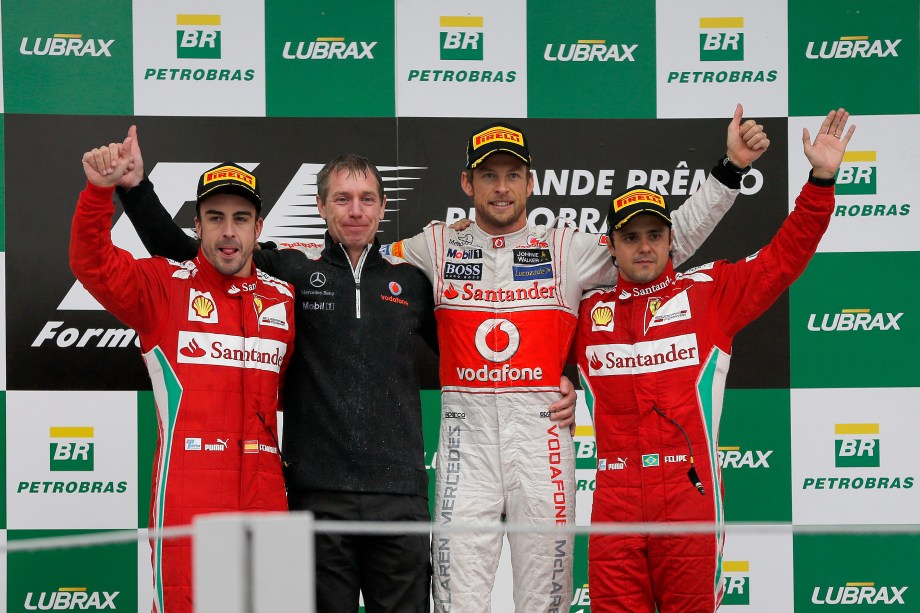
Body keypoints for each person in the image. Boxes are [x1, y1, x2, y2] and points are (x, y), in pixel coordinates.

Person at [111, 130, 576, 612]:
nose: (355, 210)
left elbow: (481, 335)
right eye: (342, 199)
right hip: (317, 493)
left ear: (382, 207)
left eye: (366, 199)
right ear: (321, 207)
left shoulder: (411, 277)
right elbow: (190, 250)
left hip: (400, 496)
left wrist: (560, 372)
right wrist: (135, 188)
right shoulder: (287, 267)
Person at [385, 105, 770, 612]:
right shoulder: (435, 243)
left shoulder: (565, 248)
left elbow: (671, 239)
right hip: (466, 440)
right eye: (489, 176)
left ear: (531, 183)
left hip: (542, 435)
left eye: (513, 176)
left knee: (546, 600)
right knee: (457, 598)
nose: (501, 188)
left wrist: (730, 170)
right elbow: (362, 261)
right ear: (466, 182)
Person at [571, 109, 853, 613]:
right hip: (614, 496)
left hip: (687, 493)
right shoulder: (584, 311)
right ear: (610, 246)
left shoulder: (709, 293)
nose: (644, 247)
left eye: (654, 235)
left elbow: (783, 258)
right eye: (630, 237)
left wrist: (821, 180)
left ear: (670, 240)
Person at [73, 139, 295, 613]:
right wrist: (98, 194)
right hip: (189, 499)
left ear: (259, 227)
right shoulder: (162, 288)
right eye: (215, 218)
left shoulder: (283, 299)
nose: (228, 232)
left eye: (240, 219)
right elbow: (92, 264)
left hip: (266, 496)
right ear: (197, 226)